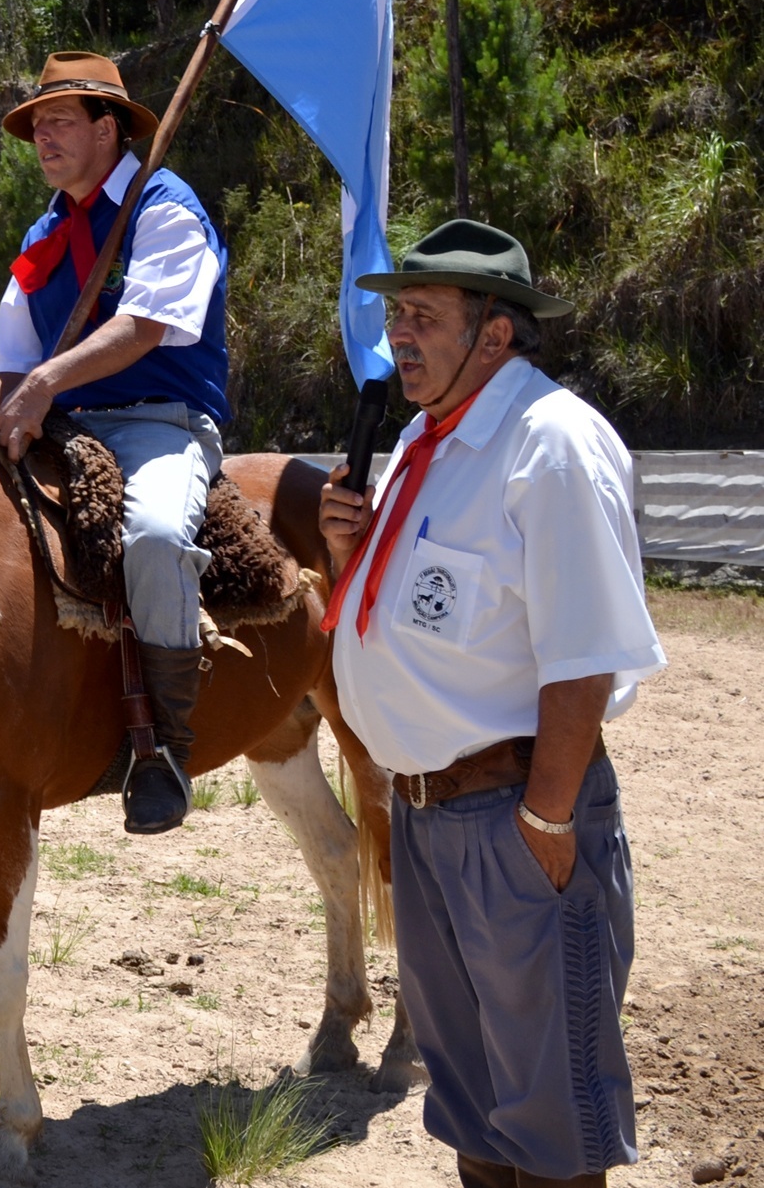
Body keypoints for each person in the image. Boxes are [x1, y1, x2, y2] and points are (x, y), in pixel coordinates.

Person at [318, 220, 659, 1188]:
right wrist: (352, 555)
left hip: (513, 815)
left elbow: (583, 657)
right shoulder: (432, 440)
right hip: (424, 815)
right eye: (396, 317)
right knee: (469, 1095)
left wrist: (547, 818)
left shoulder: (548, 446)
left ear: (496, 333)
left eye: (423, 317)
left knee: (551, 1108)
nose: (400, 340)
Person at [0, 50, 229, 835]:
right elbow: (11, 363)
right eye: (36, 125)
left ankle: (165, 750)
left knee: (151, 538)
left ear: (107, 128)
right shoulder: (44, 232)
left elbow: (146, 324)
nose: (42, 138)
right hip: (62, 425)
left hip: (162, 421)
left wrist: (45, 384)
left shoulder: (164, 205)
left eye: (58, 122)